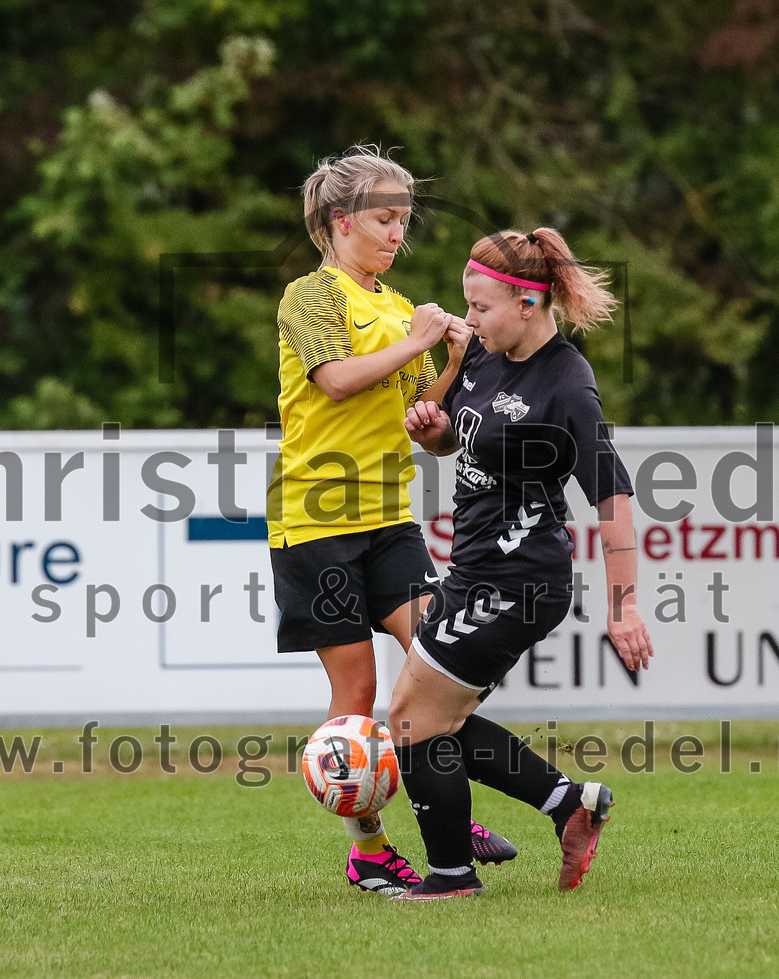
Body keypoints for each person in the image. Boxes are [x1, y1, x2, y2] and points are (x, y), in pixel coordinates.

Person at [267, 146, 517, 895]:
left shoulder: (400, 305)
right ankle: (369, 849)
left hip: (388, 515)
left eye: (404, 219)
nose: (397, 233)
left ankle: (441, 798)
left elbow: (416, 415)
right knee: (356, 703)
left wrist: (451, 363)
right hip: (315, 518)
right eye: (384, 218)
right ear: (340, 221)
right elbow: (339, 382)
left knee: (446, 669)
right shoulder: (310, 296)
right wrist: (416, 340)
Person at [387, 227, 654, 900]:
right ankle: (569, 802)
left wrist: (624, 608)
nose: (468, 319)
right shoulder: (483, 351)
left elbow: (614, 500)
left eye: (480, 306)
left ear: (529, 303)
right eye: (467, 305)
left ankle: (451, 875)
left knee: (413, 720)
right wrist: (434, 429)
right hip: (472, 569)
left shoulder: (567, 385)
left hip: (520, 579)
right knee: (432, 719)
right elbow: (454, 436)